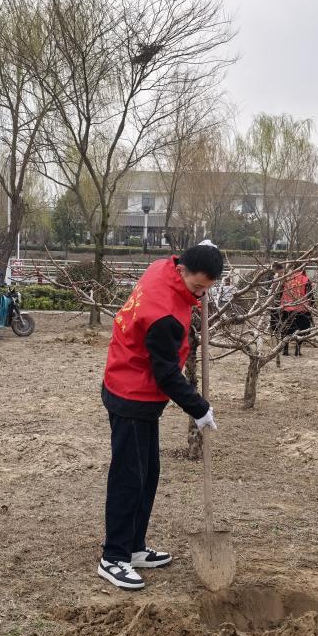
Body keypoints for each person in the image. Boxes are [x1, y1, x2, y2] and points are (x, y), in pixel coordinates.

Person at [98, 240, 224, 590]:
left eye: (207, 289)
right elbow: (166, 374)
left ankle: (134, 546)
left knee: (148, 473)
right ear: (182, 270)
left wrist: (202, 253)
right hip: (132, 393)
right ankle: (114, 557)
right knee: (129, 478)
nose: (201, 296)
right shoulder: (165, 316)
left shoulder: (162, 267)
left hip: (132, 382)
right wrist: (199, 408)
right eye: (198, 287)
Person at [278, 265, 314, 356]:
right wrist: (312, 304)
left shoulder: (286, 279)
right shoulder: (306, 279)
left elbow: (279, 293)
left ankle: (285, 350)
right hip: (302, 310)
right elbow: (310, 295)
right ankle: (297, 350)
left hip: (287, 308)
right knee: (302, 330)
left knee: (286, 329)